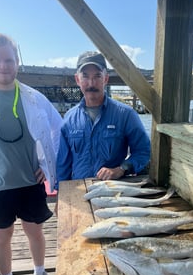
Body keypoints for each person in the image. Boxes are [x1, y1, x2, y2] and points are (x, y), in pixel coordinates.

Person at [0, 33, 63, 275]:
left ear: (17, 62)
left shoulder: (33, 97)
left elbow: (57, 128)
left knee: (35, 232)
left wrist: (47, 164)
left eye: (9, 60)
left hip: (30, 181)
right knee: (1, 237)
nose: (3, 66)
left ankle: (40, 273)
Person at [56, 51, 151, 182]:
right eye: (85, 77)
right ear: (77, 79)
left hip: (113, 193)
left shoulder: (126, 114)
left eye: (97, 76)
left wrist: (121, 169)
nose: (91, 83)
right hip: (80, 192)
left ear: (106, 78)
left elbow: (143, 151)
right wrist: (61, 195)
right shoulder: (68, 119)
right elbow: (63, 164)